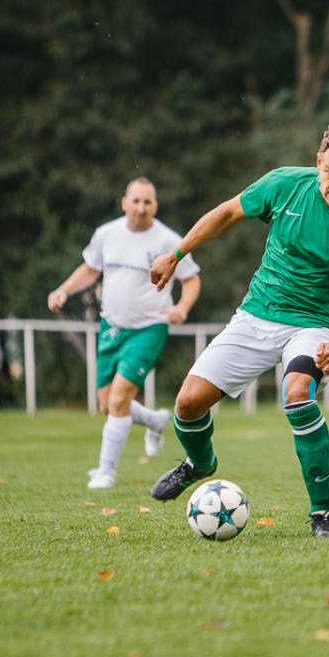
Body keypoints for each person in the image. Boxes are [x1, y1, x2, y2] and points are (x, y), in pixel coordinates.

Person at [146, 122, 329, 538]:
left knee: (297, 393)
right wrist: (176, 254)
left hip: (316, 324)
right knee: (188, 404)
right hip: (257, 314)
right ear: (318, 163)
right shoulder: (285, 185)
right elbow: (227, 213)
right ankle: (200, 464)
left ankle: (322, 513)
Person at [48, 177, 202, 490]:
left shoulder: (168, 240)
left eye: (147, 202)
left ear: (155, 206)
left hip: (149, 328)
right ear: (124, 202)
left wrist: (182, 308)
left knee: (119, 398)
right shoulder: (106, 234)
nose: (141, 208)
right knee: (107, 404)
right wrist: (64, 290)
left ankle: (105, 472)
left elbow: (192, 278)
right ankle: (154, 420)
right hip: (111, 326)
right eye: (136, 201)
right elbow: (91, 269)